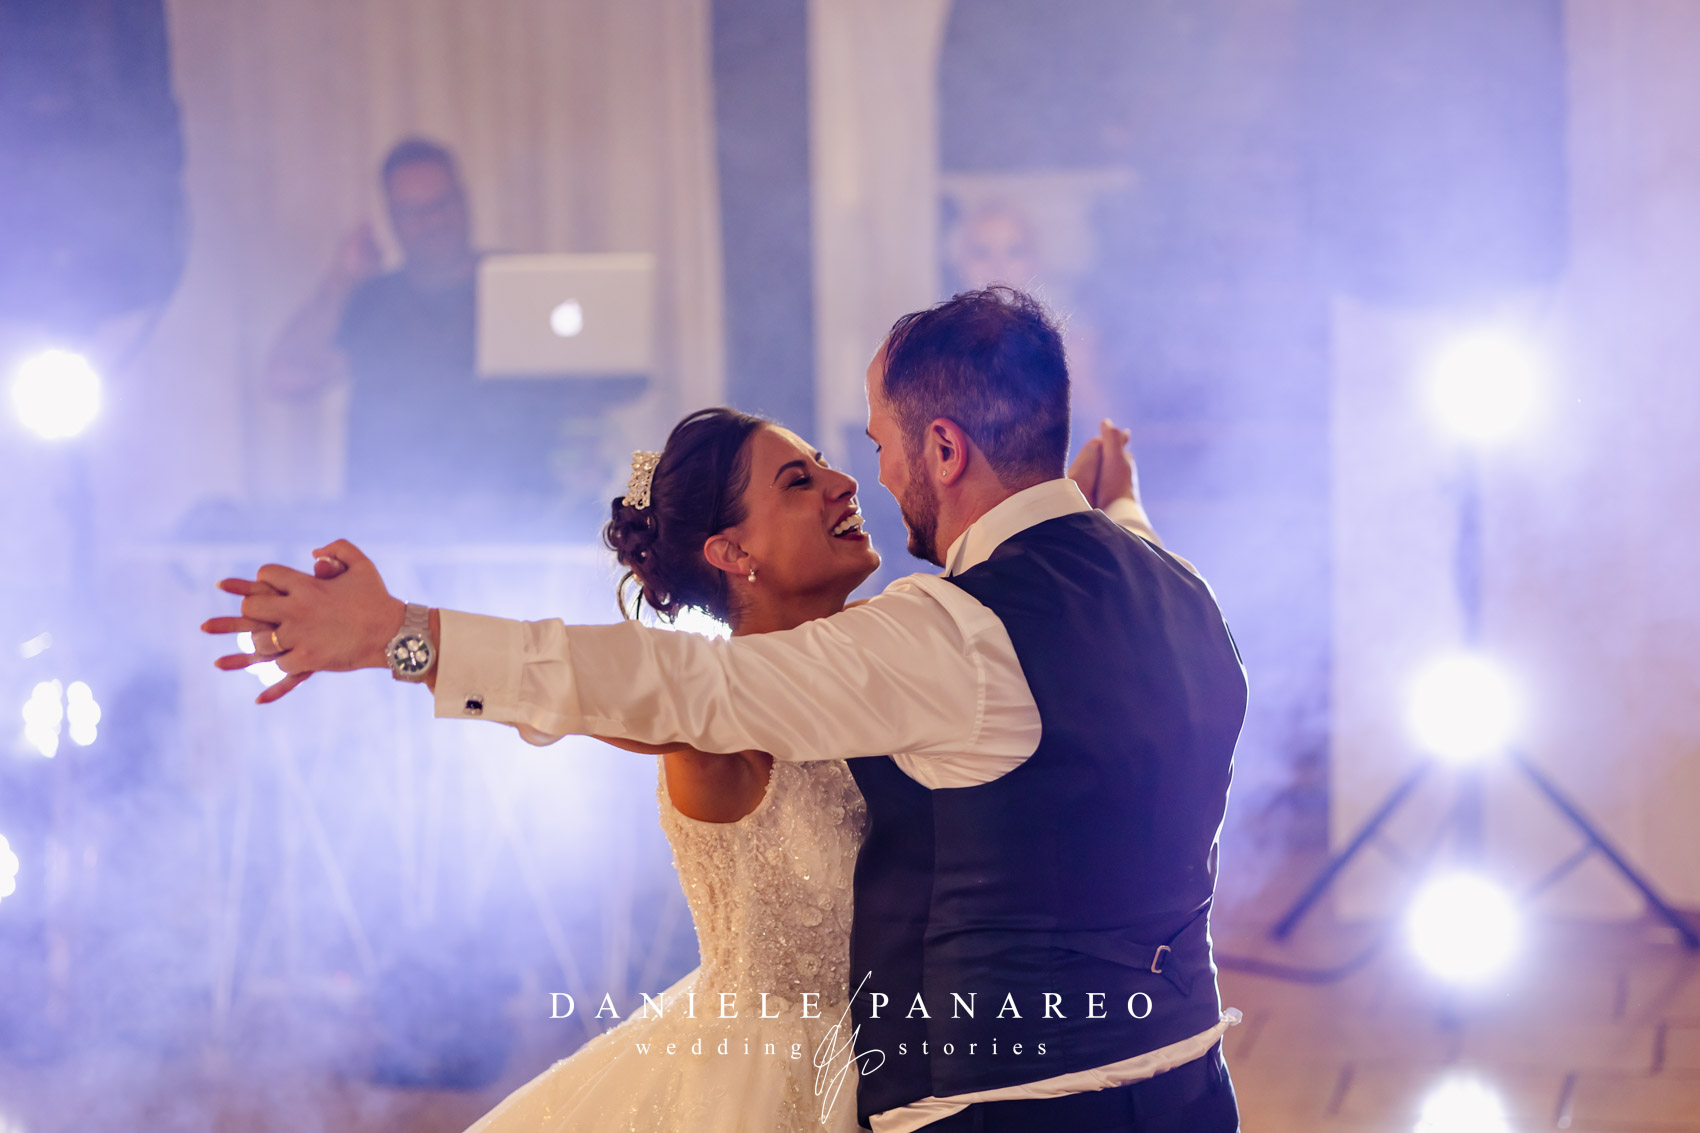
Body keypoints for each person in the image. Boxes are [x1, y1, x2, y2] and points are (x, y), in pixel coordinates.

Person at [208, 286, 1247, 1132]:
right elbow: (657, 683)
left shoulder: (932, 640)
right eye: (803, 476)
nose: (858, 477)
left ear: (943, 448)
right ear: (730, 550)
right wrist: (400, 636)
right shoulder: (1178, 590)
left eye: (872, 445)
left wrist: (1100, 509)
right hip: (924, 1083)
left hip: (980, 1096)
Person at [264, 137, 577, 500]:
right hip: (388, 517)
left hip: (516, 512)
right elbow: (284, 377)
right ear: (392, 219)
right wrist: (341, 278)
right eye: (414, 212)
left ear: (463, 202)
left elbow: (585, 389)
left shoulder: (517, 285)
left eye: (442, 204)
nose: (433, 222)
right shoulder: (372, 301)